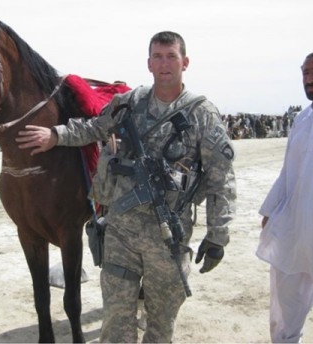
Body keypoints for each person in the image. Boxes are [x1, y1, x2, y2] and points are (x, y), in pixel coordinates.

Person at [16, 31, 236, 342]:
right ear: (148, 64)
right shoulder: (128, 103)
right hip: (121, 235)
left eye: (171, 56)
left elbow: (221, 177)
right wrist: (56, 135)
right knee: (116, 327)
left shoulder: (202, 114)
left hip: (167, 239)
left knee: (159, 329)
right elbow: (94, 127)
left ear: (185, 62)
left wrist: (218, 235)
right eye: (157, 57)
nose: (164, 64)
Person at [256, 49, 313, 343]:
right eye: (306, 72)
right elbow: (289, 171)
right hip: (295, 227)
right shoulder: (302, 119)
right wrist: (271, 209)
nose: (310, 78)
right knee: (286, 307)